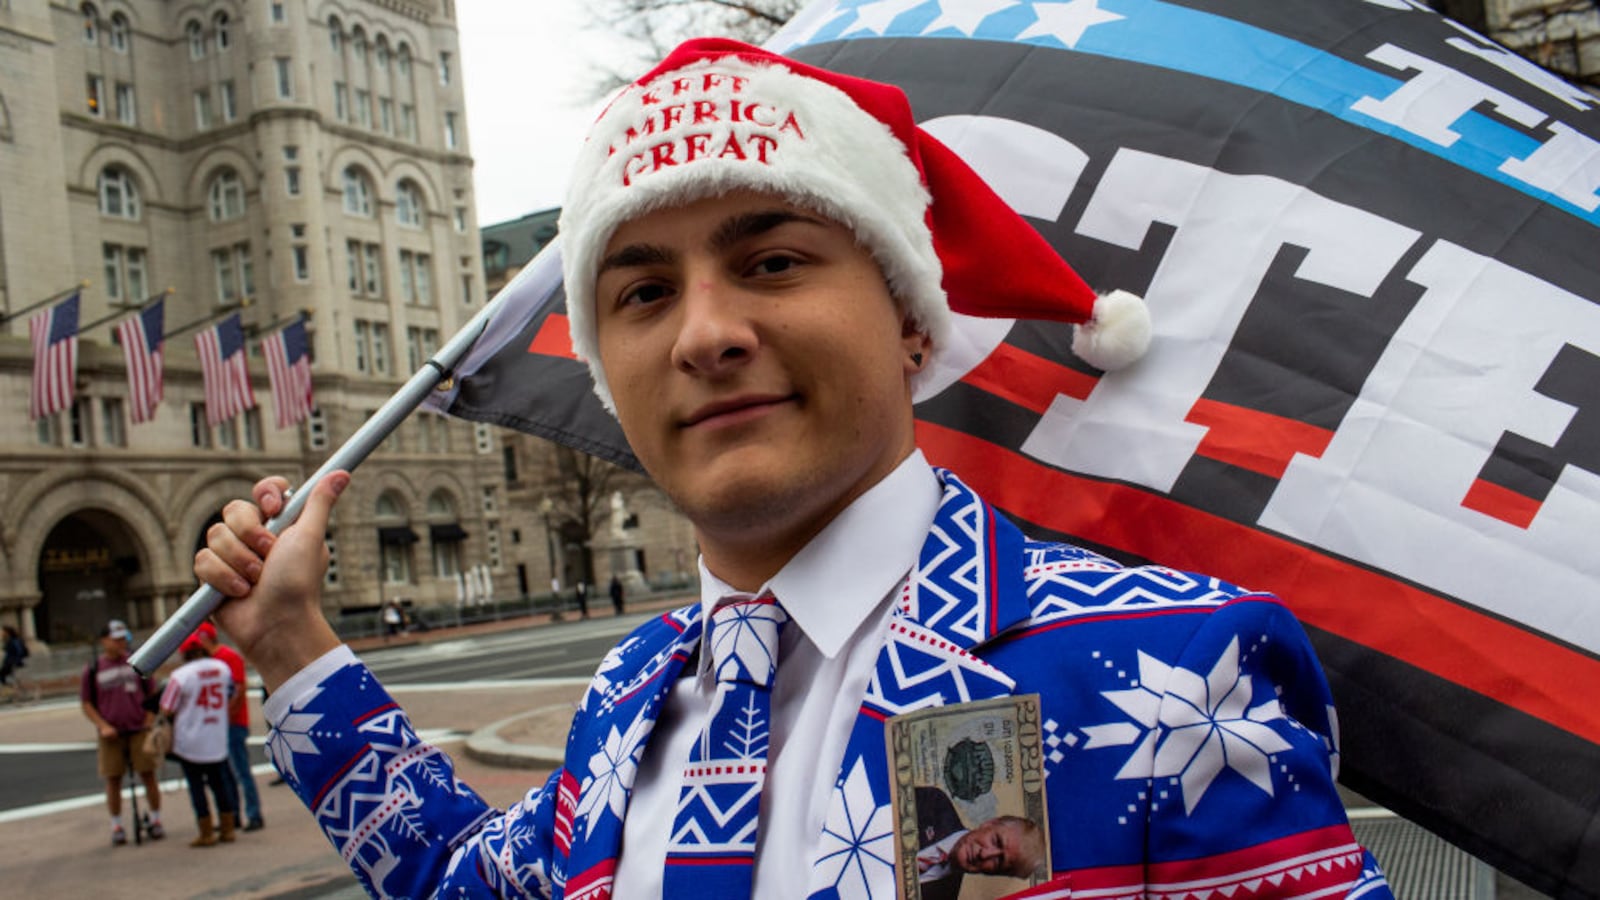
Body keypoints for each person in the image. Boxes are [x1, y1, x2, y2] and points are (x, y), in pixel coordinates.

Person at [195, 39, 1392, 899]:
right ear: (610, 370)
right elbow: (469, 883)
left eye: (770, 261)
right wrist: (294, 643)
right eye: (645, 291)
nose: (703, 332)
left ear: (912, 324)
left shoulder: (1170, 666)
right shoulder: (628, 699)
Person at [80, 619, 164, 845]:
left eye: (122, 640)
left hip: (138, 729)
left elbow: (152, 694)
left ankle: (156, 819)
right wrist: (103, 725)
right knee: (113, 778)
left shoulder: (137, 662)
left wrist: (149, 719)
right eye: (115, 640)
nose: (120, 644)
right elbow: (87, 703)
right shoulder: (94, 669)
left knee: (148, 774)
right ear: (104, 641)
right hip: (111, 733)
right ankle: (116, 823)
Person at [160, 634, 239, 847]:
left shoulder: (181, 675)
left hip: (190, 739)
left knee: (197, 787)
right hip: (216, 734)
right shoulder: (222, 668)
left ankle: (206, 832)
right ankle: (228, 828)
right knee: (219, 784)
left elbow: (167, 707)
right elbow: (232, 692)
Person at [912, 786, 1043, 900]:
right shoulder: (933, 802)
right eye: (996, 841)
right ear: (990, 823)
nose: (985, 854)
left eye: (999, 861)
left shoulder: (946, 897)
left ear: (995, 874)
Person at [194, 621, 263, 831]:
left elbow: (240, 689)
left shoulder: (228, 657)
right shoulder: (210, 660)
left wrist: (228, 715)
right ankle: (232, 815)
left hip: (233, 723)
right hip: (219, 724)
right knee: (226, 773)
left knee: (241, 770)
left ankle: (253, 814)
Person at [1, 624, 30, 702]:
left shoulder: (14, 641)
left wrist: (15, 661)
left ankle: (11, 691)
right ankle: (11, 691)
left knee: (2, 676)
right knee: (5, 677)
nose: (2, 633)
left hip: (13, 663)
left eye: (3, 632)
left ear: (8, 632)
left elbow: (19, 652)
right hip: (9, 663)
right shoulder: (10, 640)